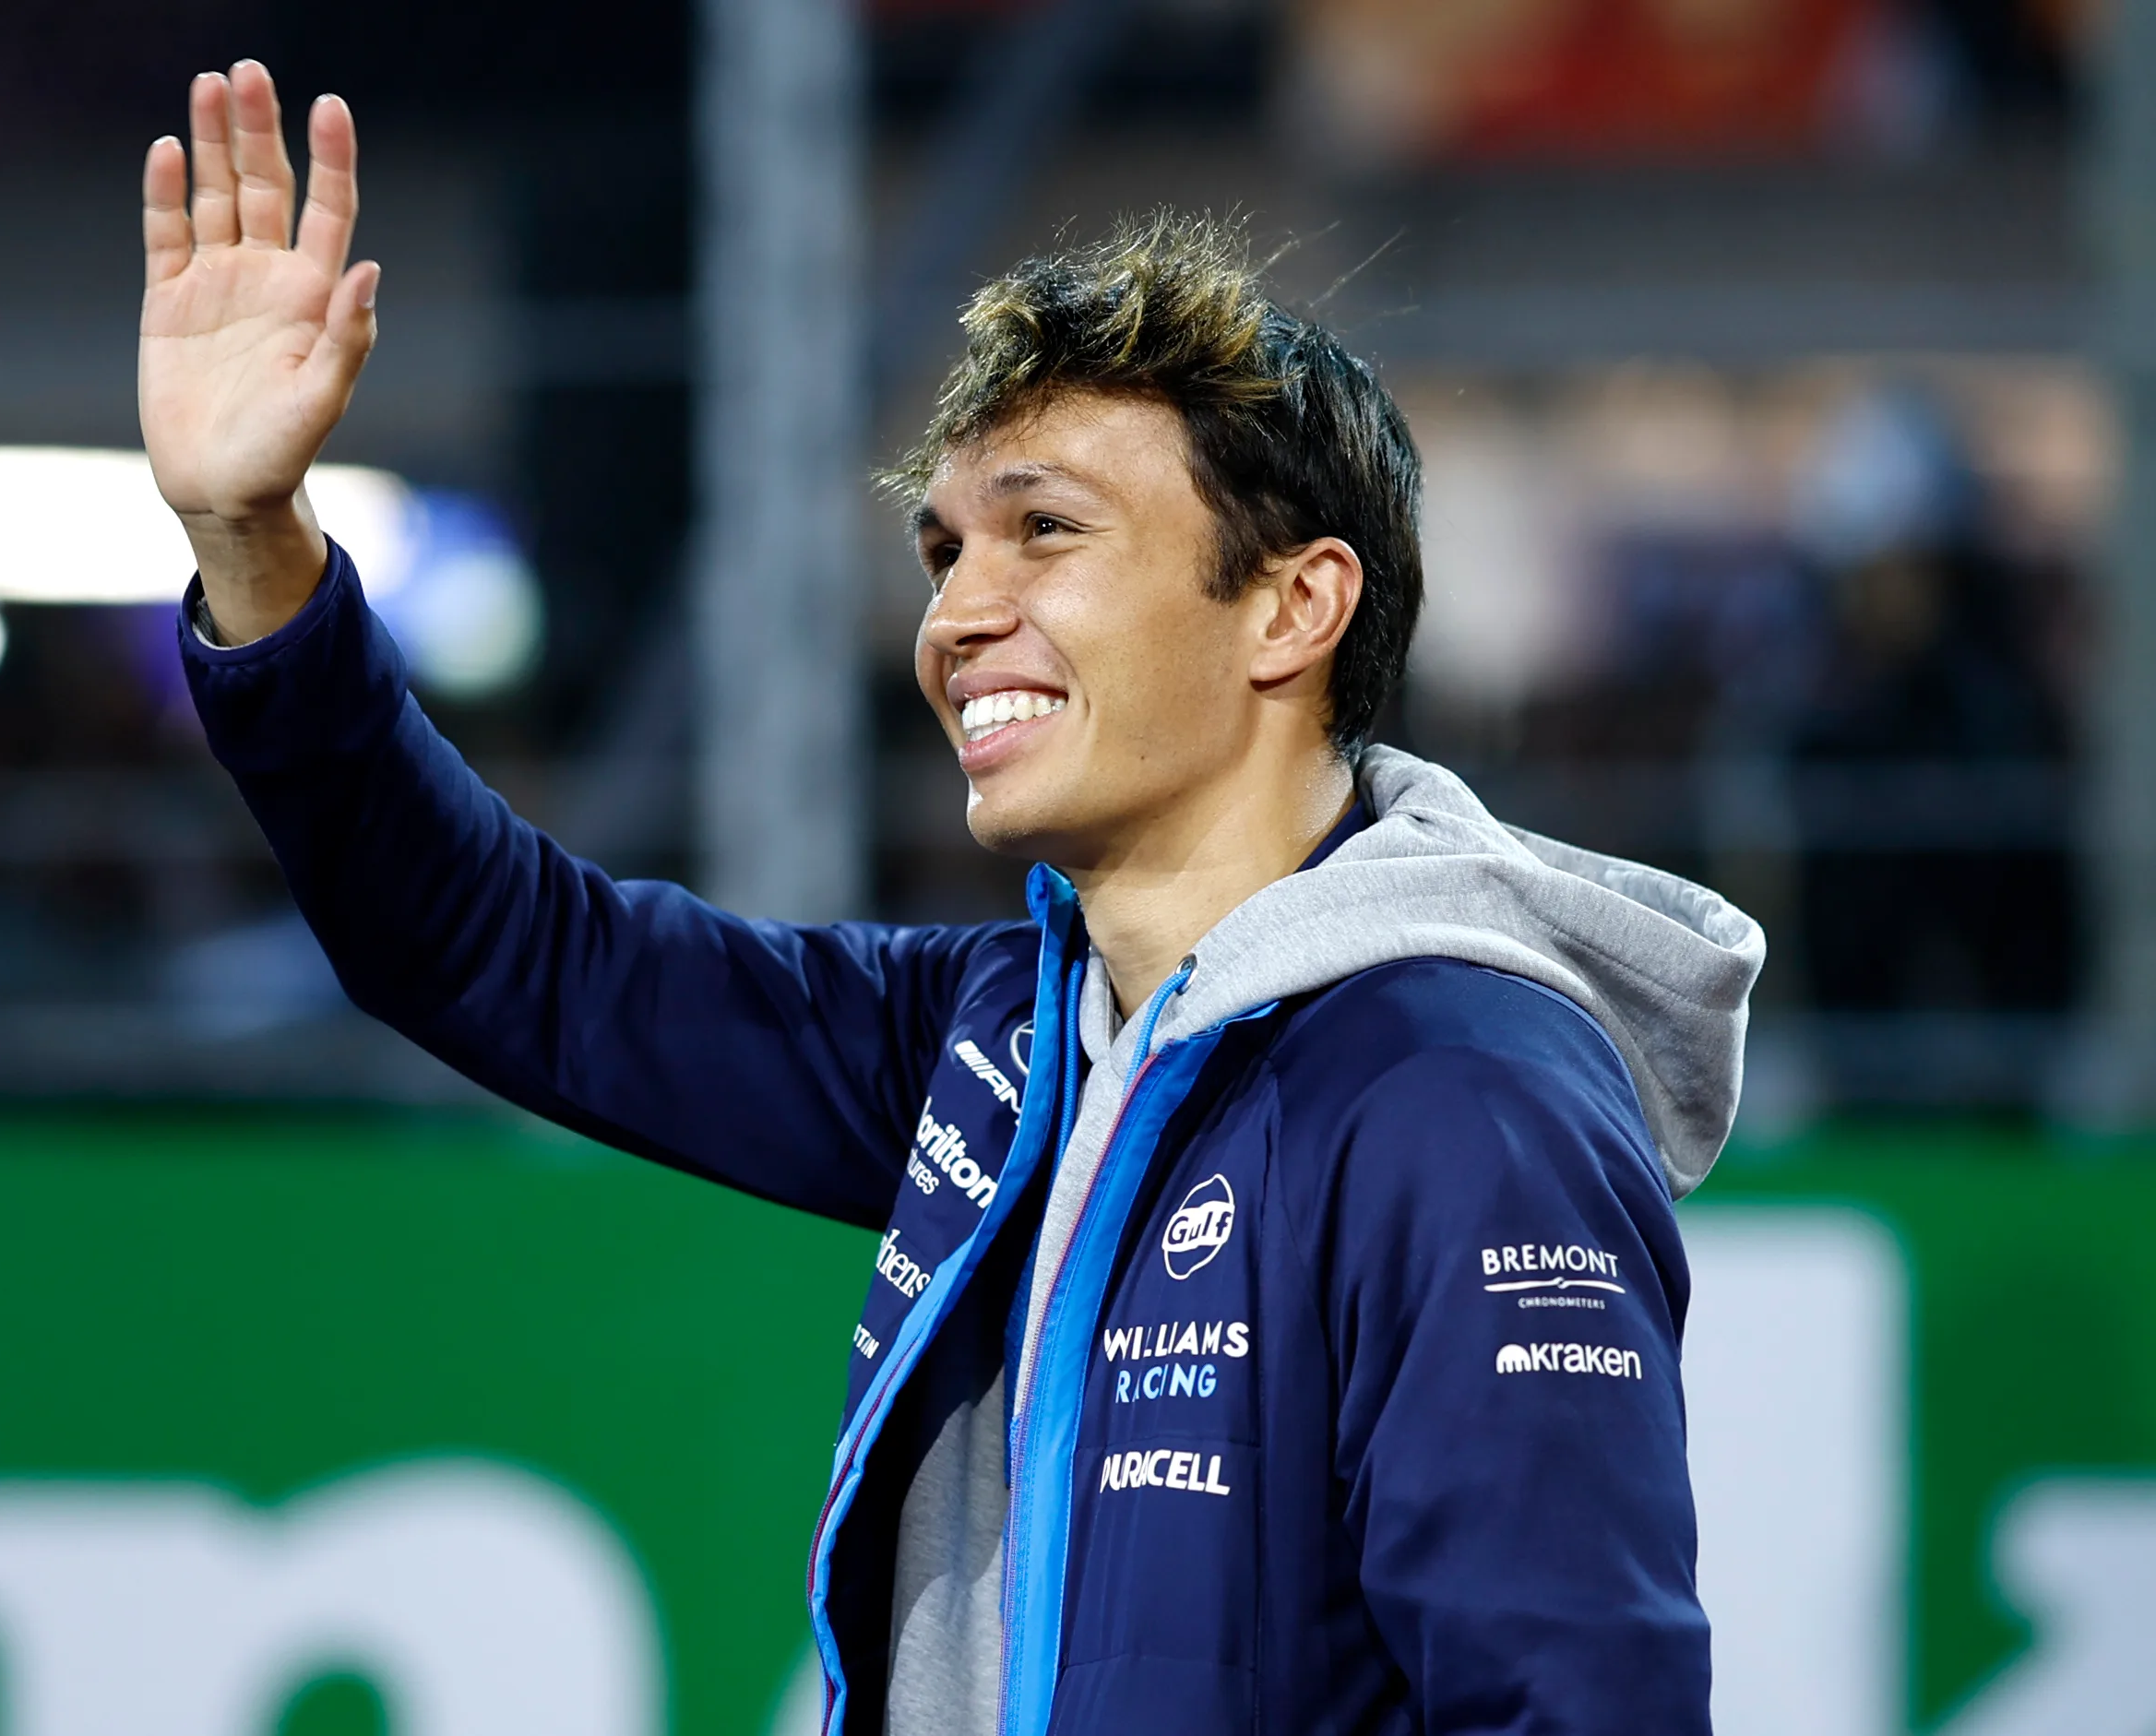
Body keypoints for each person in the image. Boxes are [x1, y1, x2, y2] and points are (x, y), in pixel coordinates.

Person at [142, 61, 1764, 1736]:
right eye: (941, 553)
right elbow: (493, 949)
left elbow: (1575, 1709)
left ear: (1291, 608)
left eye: (1042, 533)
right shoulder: (1011, 1040)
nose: (956, 616)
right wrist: (252, 538)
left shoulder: (1457, 1088)